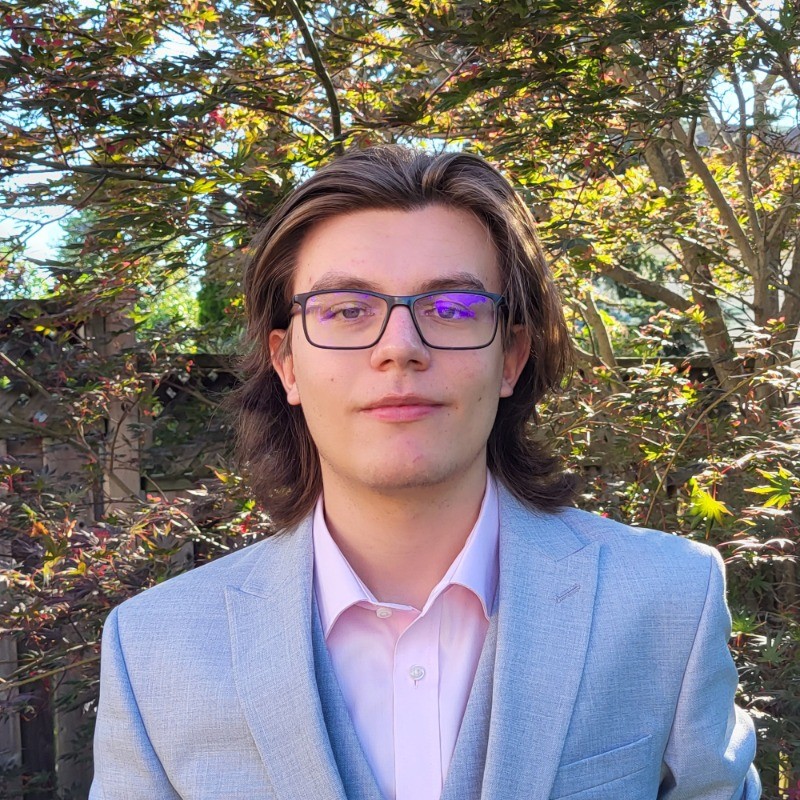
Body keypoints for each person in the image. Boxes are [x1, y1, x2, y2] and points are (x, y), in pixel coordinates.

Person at [90, 145, 760, 800]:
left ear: (511, 357)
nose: (400, 348)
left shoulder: (669, 600)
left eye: (453, 309)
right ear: (287, 363)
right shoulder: (153, 649)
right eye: (346, 310)